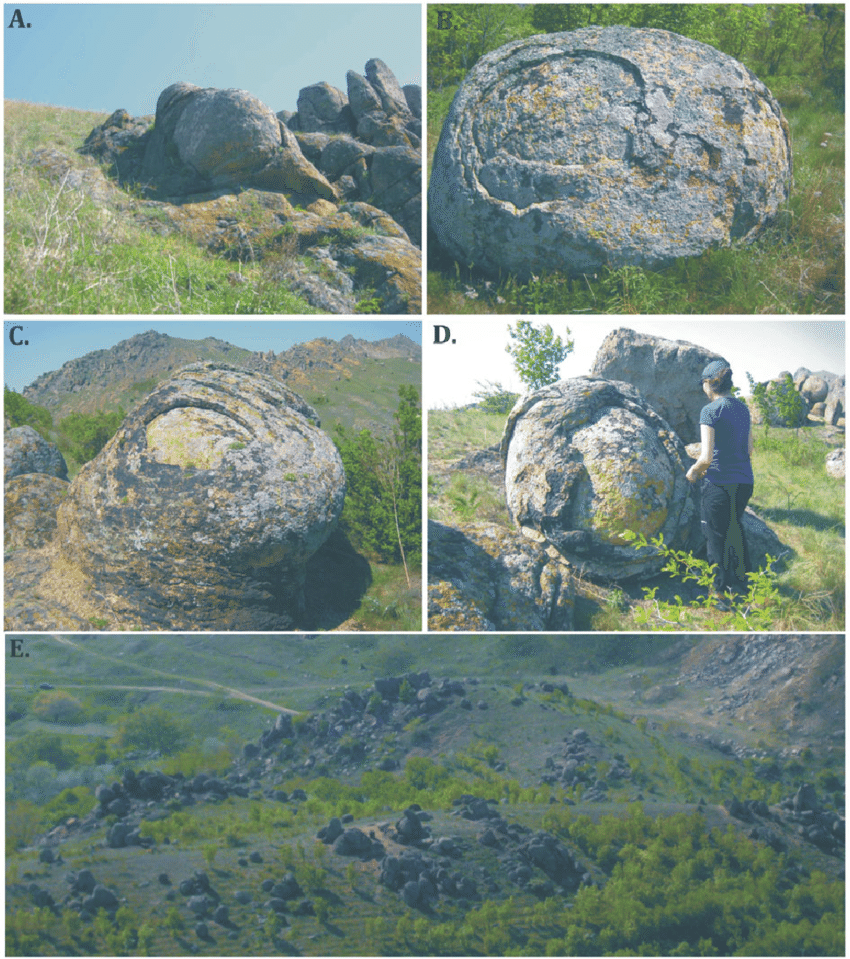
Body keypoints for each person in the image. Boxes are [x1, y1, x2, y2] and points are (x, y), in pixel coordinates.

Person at [685, 360, 754, 601]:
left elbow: (705, 457)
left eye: (703, 383)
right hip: (745, 482)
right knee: (735, 529)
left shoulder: (710, 411)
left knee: (715, 536)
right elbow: (749, 449)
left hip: (719, 483)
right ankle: (744, 586)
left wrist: (693, 472)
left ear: (709, 384)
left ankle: (720, 593)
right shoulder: (743, 408)